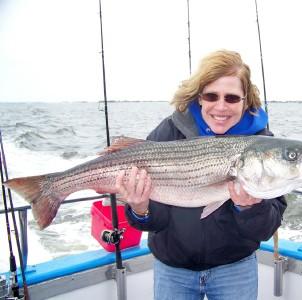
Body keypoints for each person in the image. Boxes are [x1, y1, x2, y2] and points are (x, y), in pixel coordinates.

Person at [115, 50, 287, 300]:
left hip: (235, 269)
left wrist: (250, 209)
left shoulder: (264, 147)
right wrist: (140, 209)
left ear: (245, 100)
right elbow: (157, 222)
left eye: (231, 97)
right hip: (173, 270)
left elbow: (265, 229)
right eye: (211, 96)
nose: (221, 106)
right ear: (199, 98)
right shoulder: (169, 131)